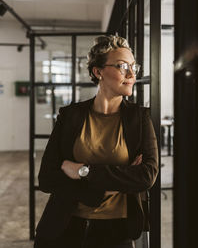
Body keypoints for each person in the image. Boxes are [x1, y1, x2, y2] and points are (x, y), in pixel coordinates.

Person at [34, 35, 159, 248]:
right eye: (121, 66)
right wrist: (107, 188)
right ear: (98, 72)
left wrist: (84, 171)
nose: (131, 74)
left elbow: (146, 176)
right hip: (64, 226)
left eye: (133, 67)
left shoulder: (139, 118)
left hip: (117, 231)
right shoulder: (70, 116)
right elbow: (47, 176)